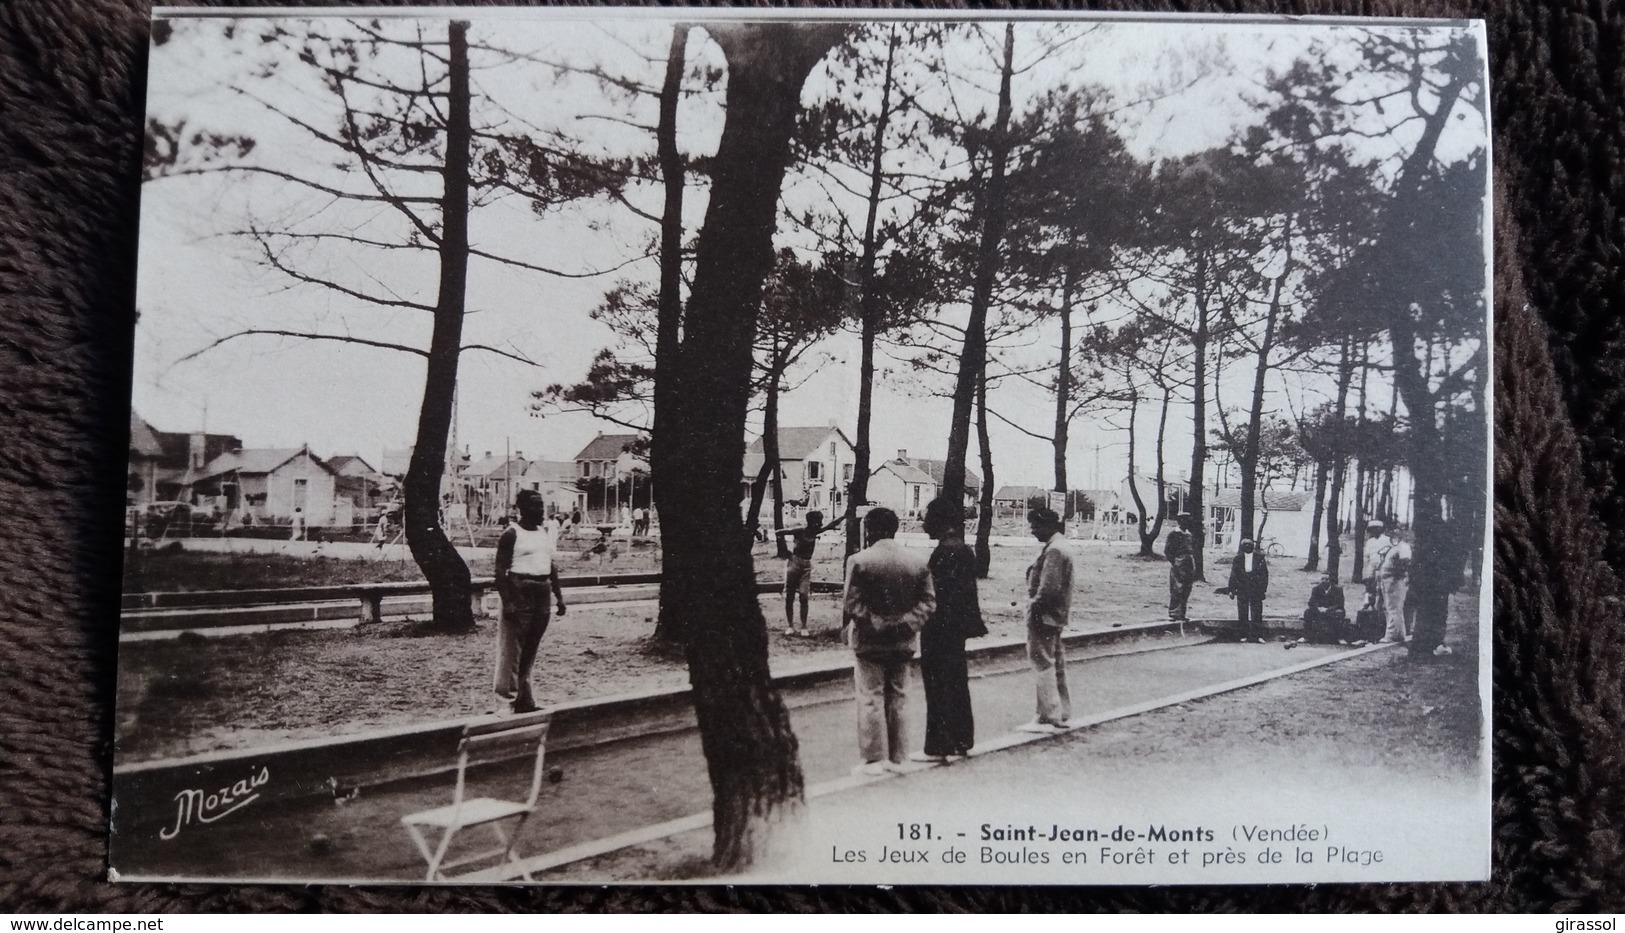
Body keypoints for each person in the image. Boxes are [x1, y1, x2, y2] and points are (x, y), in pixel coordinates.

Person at [843, 507, 936, 776]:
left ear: (869, 529)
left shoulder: (859, 560)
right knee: (899, 696)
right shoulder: (917, 561)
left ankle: (873, 759)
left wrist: (875, 621)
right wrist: (907, 622)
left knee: (870, 696)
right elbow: (928, 601)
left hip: (869, 640)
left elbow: (851, 602)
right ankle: (899, 756)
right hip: (904, 640)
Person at [912, 497, 987, 763]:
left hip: (939, 627)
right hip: (957, 628)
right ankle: (962, 737)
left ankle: (938, 744)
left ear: (939, 521)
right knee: (956, 681)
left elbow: (935, 595)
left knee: (937, 684)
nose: (924, 525)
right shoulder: (963, 549)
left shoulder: (944, 552)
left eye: (928, 518)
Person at [493, 490, 567, 714]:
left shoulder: (543, 532)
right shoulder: (511, 534)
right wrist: (508, 602)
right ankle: (505, 702)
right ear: (521, 508)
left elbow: (549, 565)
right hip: (520, 590)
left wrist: (559, 596)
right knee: (511, 650)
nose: (540, 510)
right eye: (535, 506)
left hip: (542, 592)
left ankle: (525, 699)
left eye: (541, 505)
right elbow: (499, 571)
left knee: (530, 648)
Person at [1020, 507, 1074, 734]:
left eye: (1035, 526)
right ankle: (1061, 711)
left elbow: (1048, 588)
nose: (1033, 531)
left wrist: (1033, 607)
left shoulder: (1054, 551)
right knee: (1056, 663)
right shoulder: (1061, 546)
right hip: (1056, 615)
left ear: (1047, 525)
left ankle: (1047, 715)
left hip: (1044, 615)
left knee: (1042, 663)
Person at [775, 509, 847, 637]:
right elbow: (779, 533)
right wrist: (785, 552)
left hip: (806, 566)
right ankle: (790, 626)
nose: (820, 524)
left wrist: (844, 516)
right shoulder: (799, 531)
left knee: (804, 595)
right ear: (811, 522)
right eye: (818, 522)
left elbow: (830, 525)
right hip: (793, 564)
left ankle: (803, 626)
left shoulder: (815, 531)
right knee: (790, 595)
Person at [1220, 538, 1270, 642]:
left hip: (1255, 587)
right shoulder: (1238, 558)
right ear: (1242, 546)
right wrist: (1231, 589)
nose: (1247, 547)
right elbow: (1234, 574)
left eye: (1249, 545)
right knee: (1242, 611)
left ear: (1253, 546)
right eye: (1245, 545)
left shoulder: (1259, 557)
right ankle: (1243, 634)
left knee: (1257, 611)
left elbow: (1264, 575)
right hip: (1242, 587)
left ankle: (1257, 635)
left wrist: (1263, 589)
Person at [1370, 524, 1413, 644]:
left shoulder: (1403, 547)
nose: (1394, 535)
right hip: (1386, 580)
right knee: (1389, 607)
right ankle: (1399, 633)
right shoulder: (1391, 546)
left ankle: (1391, 634)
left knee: (1394, 608)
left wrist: (1397, 575)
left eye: (1397, 532)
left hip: (1394, 580)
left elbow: (1405, 563)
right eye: (1392, 533)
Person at [1165, 513, 1196, 622]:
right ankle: (1173, 613)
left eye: (1188, 520)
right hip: (1178, 562)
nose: (1186, 523)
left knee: (1187, 588)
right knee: (1176, 588)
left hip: (1189, 563)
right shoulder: (1173, 534)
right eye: (1184, 520)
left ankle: (1182, 613)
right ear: (1179, 521)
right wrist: (1175, 561)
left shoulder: (1189, 535)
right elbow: (1168, 551)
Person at [1302, 574, 1347, 644]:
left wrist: (1328, 609)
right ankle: (1306, 637)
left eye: (1326, 579)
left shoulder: (1338, 590)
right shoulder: (1316, 589)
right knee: (1307, 612)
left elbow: (1340, 604)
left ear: (1330, 581)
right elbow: (1311, 602)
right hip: (1319, 610)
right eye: (1322, 579)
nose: (1324, 581)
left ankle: (1340, 637)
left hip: (1332, 610)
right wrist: (1318, 608)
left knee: (1339, 613)